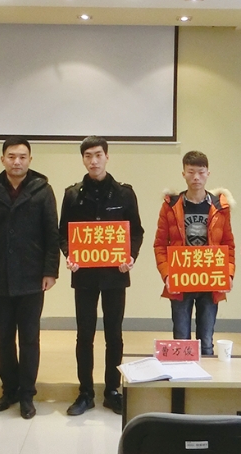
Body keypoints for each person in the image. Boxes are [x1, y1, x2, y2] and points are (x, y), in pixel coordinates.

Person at [0, 136, 59, 420]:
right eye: (11, 156)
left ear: (30, 160)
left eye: (22, 157)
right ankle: (9, 389)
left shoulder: (42, 190)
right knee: (4, 338)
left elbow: (52, 233)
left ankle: (27, 394)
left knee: (30, 339)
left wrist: (50, 271)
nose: (17, 162)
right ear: (2, 160)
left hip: (32, 276)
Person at [59, 136, 144, 416]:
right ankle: (85, 392)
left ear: (107, 156)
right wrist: (69, 254)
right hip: (84, 275)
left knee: (114, 334)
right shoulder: (73, 194)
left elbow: (136, 232)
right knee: (84, 335)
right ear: (83, 159)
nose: (93, 161)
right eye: (88, 156)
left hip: (114, 275)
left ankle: (111, 391)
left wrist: (131, 256)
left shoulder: (124, 194)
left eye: (98, 155)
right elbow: (64, 233)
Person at [153, 150, 235, 356]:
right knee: (181, 340)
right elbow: (160, 245)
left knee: (206, 341)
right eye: (191, 172)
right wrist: (167, 275)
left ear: (208, 174)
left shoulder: (220, 207)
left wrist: (228, 273)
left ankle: (206, 377)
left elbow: (228, 245)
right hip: (180, 279)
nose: (196, 177)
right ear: (183, 174)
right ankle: (182, 377)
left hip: (210, 280)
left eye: (201, 172)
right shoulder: (171, 206)